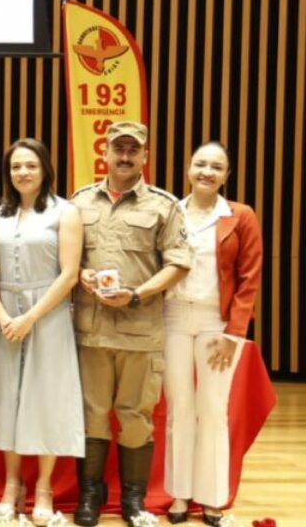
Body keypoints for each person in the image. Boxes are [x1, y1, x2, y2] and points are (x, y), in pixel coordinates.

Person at [71, 121, 193, 526]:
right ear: (104, 153)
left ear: (144, 156)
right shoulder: (80, 202)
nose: (124, 156)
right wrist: (81, 275)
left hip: (141, 330)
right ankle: (90, 494)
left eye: (132, 150)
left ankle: (133, 499)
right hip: (91, 330)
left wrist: (138, 294)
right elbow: (65, 260)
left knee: (135, 415)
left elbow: (179, 263)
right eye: (117, 149)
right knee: (92, 413)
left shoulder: (163, 205)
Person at [0, 139, 84, 526]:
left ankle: (43, 487)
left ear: (45, 169)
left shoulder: (65, 212)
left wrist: (32, 318)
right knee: (9, 398)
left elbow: (70, 274)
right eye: (15, 167)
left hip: (49, 315)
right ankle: (12, 486)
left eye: (31, 166)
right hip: (6, 316)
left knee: (46, 398)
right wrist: (3, 314)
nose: (23, 173)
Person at [163, 142, 263, 526]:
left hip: (215, 324)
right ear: (188, 169)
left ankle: (212, 497)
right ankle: (179, 495)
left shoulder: (240, 216)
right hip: (171, 317)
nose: (206, 171)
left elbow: (249, 278)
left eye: (216, 166)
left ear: (227, 175)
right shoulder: (171, 212)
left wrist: (234, 333)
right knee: (179, 410)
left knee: (213, 411)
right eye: (200, 164)